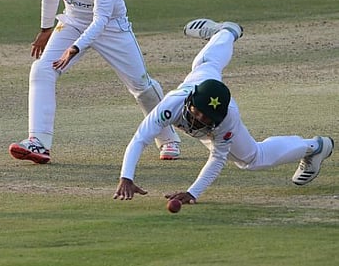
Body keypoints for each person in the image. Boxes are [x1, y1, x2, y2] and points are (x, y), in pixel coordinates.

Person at [8, 0, 181, 164]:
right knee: (41, 70)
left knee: (140, 86)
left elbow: (100, 20)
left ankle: (168, 137)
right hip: (72, 21)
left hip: (111, 26)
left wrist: (75, 48)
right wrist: (46, 28)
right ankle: (39, 143)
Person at [114, 19, 333, 205]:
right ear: (190, 102)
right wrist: (126, 177)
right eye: (197, 112)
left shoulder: (227, 118)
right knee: (206, 63)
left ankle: (315, 147)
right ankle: (226, 31)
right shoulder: (172, 104)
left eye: (206, 117)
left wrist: (192, 193)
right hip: (201, 82)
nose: (199, 119)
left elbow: (217, 157)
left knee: (253, 159)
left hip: (217, 109)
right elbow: (141, 138)